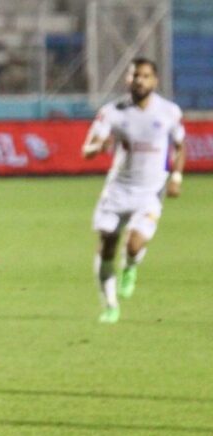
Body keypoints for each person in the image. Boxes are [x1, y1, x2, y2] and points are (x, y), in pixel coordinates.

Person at [82, 57, 185, 324]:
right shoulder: (112, 112)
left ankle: (130, 266)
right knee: (107, 247)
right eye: (134, 75)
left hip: (151, 191)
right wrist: (99, 147)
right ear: (127, 79)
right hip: (117, 190)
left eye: (145, 75)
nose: (139, 80)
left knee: (134, 242)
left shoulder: (169, 112)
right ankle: (110, 305)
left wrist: (176, 176)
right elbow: (87, 150)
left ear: (155, 80)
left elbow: (180, 146)